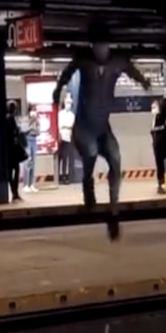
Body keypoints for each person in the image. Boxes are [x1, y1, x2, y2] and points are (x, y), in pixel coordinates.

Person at [53, 24, 150, 240]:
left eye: (104, 47)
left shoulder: (117, 61)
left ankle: (114, 212)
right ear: (92, 47)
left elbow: (132, 71)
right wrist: (57, 90)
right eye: (97, 47)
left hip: (103, 126)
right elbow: (67, 73)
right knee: (91, 151)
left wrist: (144, 82)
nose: (101, 51)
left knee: (115, 157)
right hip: (84, 126)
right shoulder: (83, 60)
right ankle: (88, 183)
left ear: (108, 47)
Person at [150, 97, 166, 194]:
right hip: (162, 143)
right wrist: (164, 126)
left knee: (162, 165)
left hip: (161, 143)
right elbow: (153, 129)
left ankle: (164, 186)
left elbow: (152, 130)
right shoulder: (160, 117)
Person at [5, 101, 25, 202]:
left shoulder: (6, 118)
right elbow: (14, 133)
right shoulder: (11, 119)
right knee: (15, 171)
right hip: (12, 149)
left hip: (8, 149)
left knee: (11, 172)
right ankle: (14, 192)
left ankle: (14, 192)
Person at [57, 92, 75, 184]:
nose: (68, 105)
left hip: (68, 138)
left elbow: (71, 125)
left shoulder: (72, 115)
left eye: (70, 103)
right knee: (58, 158)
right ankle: (58, 177)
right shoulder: (60, 114)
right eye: (67, 103)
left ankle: (64, 177)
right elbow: (59, 125)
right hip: (60, 138)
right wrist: (64, 127)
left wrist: (65, 126)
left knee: (65, 158)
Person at [23, 106, 41, 192]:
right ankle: (25, 185)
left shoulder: (37, 121)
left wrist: (32, 129)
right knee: (27, 163)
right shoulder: (26, 120)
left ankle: (31, 184)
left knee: (33, 163)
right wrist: (31, 126)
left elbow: (38, 132)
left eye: (35, 111)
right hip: (27, 141)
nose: (34, 113)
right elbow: (24, 130)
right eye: (32, 111)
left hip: (34, 141)